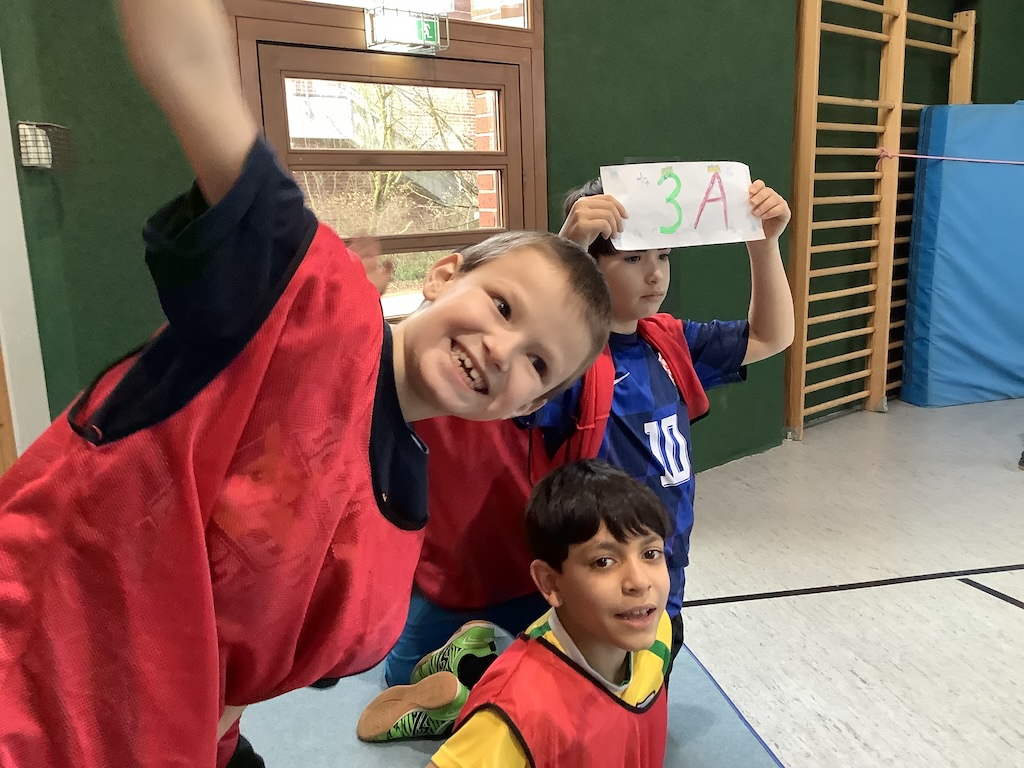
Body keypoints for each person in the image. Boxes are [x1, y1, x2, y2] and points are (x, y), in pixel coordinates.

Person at [0, 1, 612, 765]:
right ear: (444, 274)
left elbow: (240, 674)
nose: (501, 348)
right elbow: (188, 63)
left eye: (537, 364)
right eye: (502, 306)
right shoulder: (310, 301)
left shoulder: (399, 519)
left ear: (529, 404)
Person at [381, 174, 794, 698]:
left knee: (634, 689)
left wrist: (764, 243)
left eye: (663, 257)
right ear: (592, 269)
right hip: (591, 565)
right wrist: (570, 245)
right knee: (434, 678)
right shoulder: (563, 366)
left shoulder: (669, 341)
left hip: (662, 555)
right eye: (633, 258)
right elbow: (504, 367)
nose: (655, 274)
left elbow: (771, 336)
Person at [359, 460, 672, 768]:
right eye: (603, 562)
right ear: (550, 583)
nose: (639, 582)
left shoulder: (655, 628)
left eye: (651, 553)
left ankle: (469, 672)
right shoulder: (510, 721)